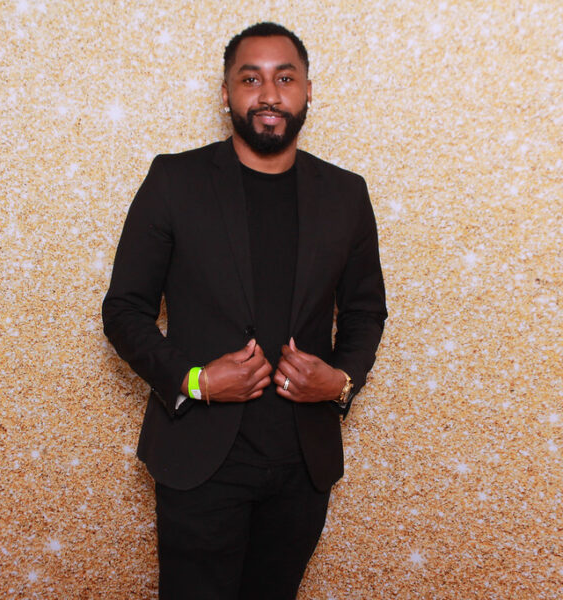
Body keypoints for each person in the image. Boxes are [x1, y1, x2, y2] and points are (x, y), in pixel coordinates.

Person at [102, 21, 387, 600]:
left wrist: (340, 381)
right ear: (227, 93)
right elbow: (124, 309)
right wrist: (196, 380)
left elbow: (365, 311)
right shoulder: (174, 180)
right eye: (250, 79)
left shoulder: (346, 193)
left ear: (308, 91)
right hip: (199, 459)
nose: (269, 95)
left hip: (303, 464)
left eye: (285, 78)